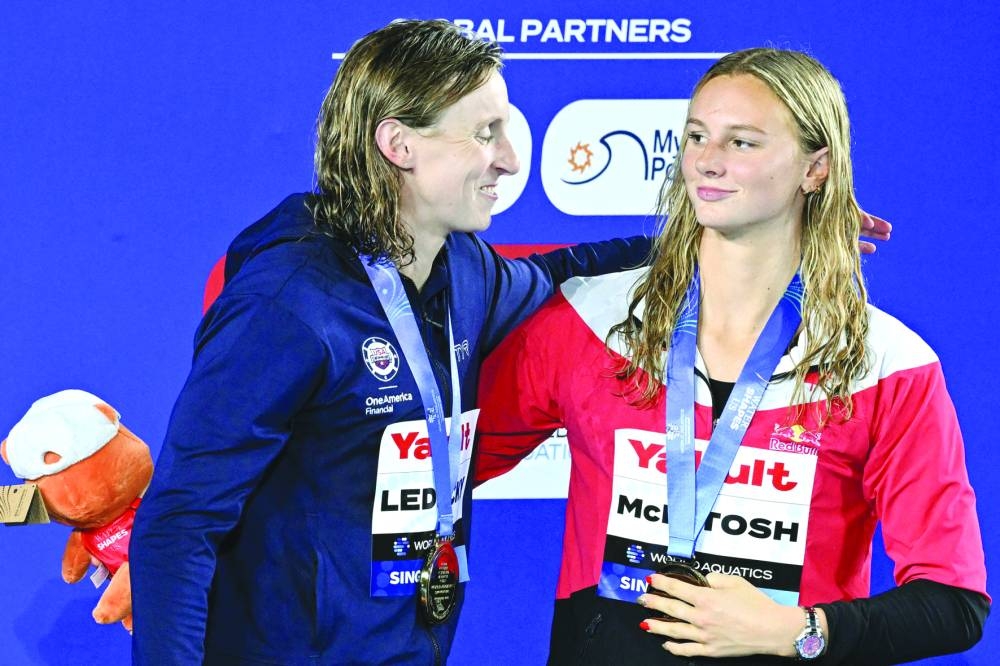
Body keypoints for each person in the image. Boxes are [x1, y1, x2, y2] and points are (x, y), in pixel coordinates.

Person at [129, 19, 654, 665]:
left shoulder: (464, 268)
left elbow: (558, 272)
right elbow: (181, 522)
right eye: (484, 132)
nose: (510, 159)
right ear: (399, 144)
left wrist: (700, 239)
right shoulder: (287, 305)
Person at [476, 47, 988, 665]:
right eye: (697, 135)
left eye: (743, 143)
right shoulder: (589, 323)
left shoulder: (886, 366)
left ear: (815, 169)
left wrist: (795, 631)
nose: (707, 162)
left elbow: (952, 602)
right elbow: (444, 468)